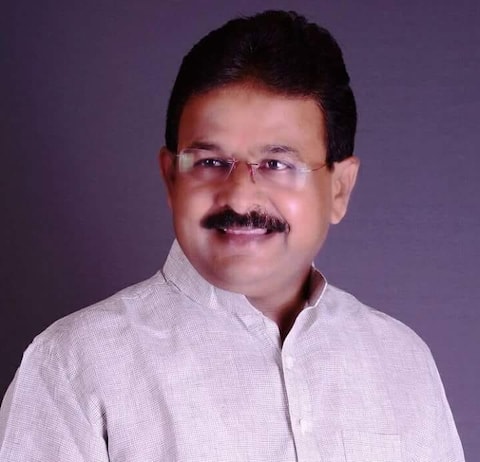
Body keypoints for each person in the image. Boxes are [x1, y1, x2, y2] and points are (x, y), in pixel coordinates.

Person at [0, 10, 464, 462]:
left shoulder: (401, 362)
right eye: (210, 162)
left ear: (339, 189)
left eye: (277, 164)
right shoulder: (74, 368)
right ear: (171, 178)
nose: (240, 196)